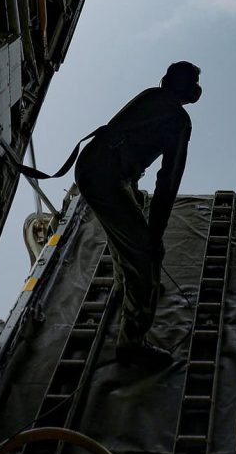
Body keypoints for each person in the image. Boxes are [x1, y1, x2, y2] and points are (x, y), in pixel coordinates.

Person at [73, 61, 201, 368]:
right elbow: (168, 182)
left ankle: (125, 283)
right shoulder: (179, 119)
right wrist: (154, 239)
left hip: (93, 168)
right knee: (143, 253)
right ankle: (132, 344)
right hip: (107, 177)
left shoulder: (149, 96)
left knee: (125, 233)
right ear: (191, 92)